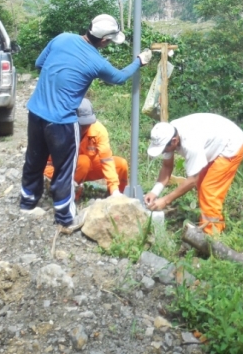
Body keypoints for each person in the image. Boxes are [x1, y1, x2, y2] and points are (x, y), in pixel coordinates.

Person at [20, 14, 152, 233]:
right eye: (109, 41)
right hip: (61, 121)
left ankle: (27, 204)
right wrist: (139, 62)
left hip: (35, 111)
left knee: (34, 158)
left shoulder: (62, 38)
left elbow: (39, 63)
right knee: (65, 169)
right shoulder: (96, 61)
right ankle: (65, 217)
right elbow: (119, 78)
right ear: (103, 41)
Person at [144, 113, 243, 235]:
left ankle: (211, 238)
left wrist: (165, 201)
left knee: (208, 189)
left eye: (164, 149)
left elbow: (192, 180)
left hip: (231, 145)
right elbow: (167, 167)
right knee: (203, 184)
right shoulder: (169, 133)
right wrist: (155, 191)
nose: (164, 152)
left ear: (174, 141)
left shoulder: (191, 144)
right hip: (214, 140)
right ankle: (215, 224)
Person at [44, 98, 128, 198]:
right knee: (83, 162)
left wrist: (114, 189)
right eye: (82, 124)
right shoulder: (59, 129)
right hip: (56, 172)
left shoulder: (98, 130)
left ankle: (116, 197)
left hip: (85, 168)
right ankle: (69, 196)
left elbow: (107, 160)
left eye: (88, 123)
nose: (85, 127)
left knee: (121, 165)